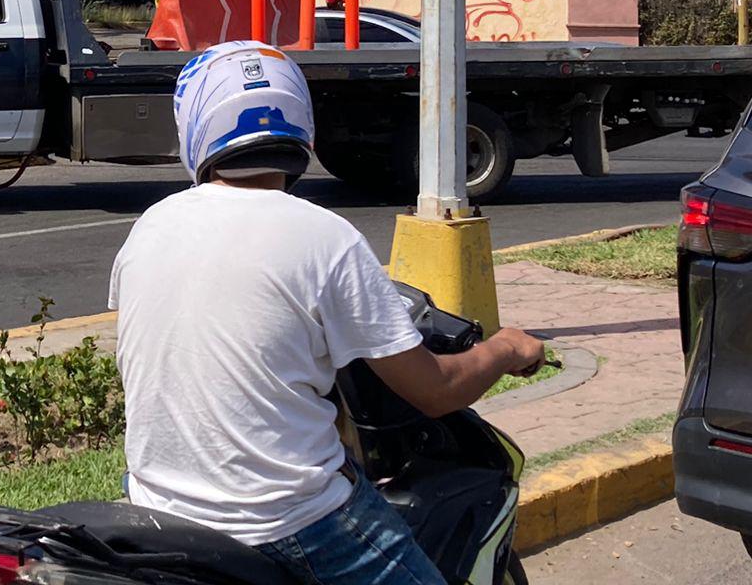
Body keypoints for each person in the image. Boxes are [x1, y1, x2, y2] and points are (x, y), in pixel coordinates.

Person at [110, 42, 544, 585]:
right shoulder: (325, 237)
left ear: (196, 125)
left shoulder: (150, 226)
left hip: (154, 507)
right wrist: (506, 348)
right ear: (299, 122)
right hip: (283, 521)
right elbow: (436, 392)